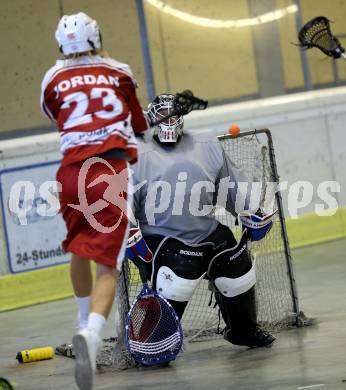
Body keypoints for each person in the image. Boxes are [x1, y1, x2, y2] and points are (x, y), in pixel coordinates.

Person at [40, 12, 150, 390]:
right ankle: (92, 333)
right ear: (96, 37)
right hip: (109, 170)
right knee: (109, 265)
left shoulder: (52, 77)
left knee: (78, 248)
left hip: (69, 173)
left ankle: (80, 318)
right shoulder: (118, 71)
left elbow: (58, 115)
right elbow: (138, 125)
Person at [127, 94, 276, 350]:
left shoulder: (206, 142)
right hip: (162, 238)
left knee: (236, 263)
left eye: (173, 116)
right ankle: (156, 341)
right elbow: (120, 199)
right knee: (178, 274)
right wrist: (127, 230)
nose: (169, 123)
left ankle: (244, 330)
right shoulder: (135, 153)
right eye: (164, 118)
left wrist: (251, 213)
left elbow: (230, 184)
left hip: (206, 230)